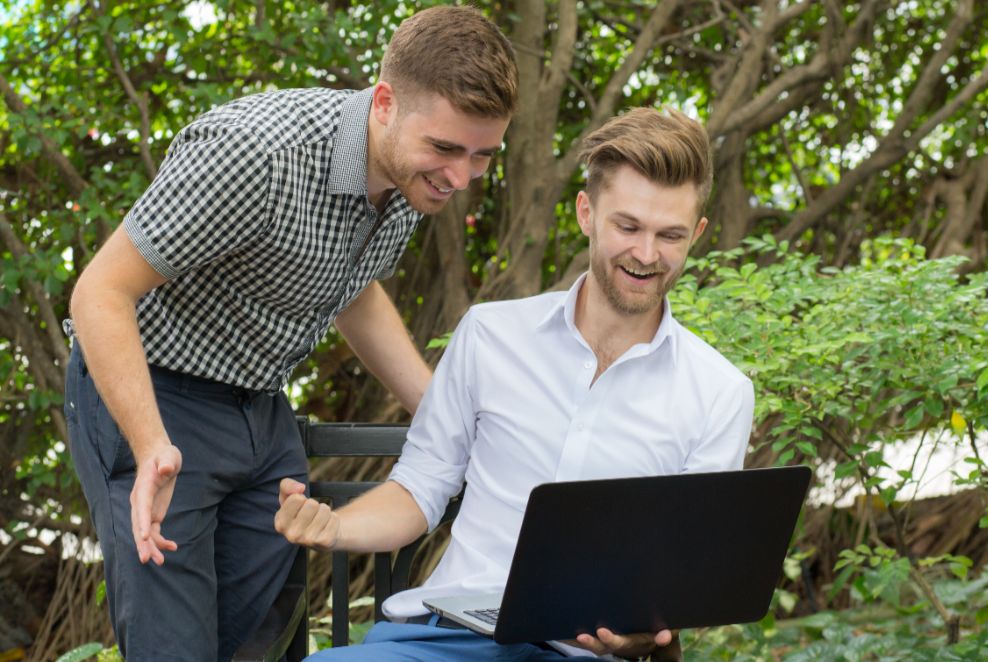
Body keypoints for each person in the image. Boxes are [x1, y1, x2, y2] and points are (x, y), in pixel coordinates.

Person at [63, 7, 517, 660]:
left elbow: (354, 290)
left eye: (482, 155)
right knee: (175, 649)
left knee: (260, 645)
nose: (461, 176)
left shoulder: (411, 181)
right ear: (385, 103)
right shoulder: (256, 152)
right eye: (446, 149)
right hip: (155, 399)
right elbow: (100, 293)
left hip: (261, 412)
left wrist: (444, 409)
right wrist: (149, 441)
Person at [276, 107, 755, 661]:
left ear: (696, 233)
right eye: (627, 227)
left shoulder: (720, 392)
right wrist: (332, 528)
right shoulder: (490, 335)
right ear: (586, 213)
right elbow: (420, 489)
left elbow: (683, 577)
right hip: (447, 639)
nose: (646, 255)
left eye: (669, 235)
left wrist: (643, 636)